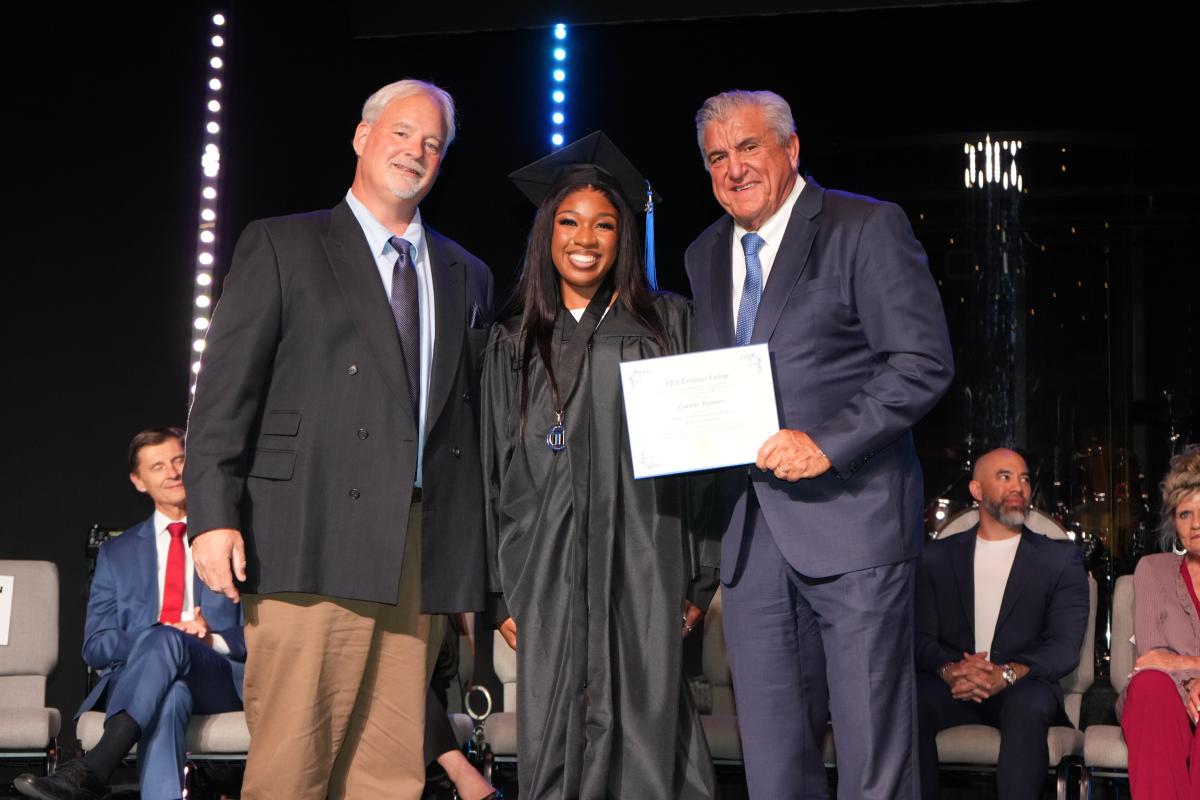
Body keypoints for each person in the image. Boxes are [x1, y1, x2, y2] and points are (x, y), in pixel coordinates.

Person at [183, 79, 494, 800]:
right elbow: (223, 394)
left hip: (418, 548)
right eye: (401, 133)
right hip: (308, 535)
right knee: (293, 766)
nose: (415, 151)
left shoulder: (467, 273)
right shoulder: (282, 244)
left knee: (389, 772)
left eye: (432, 143)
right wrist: (212, 515)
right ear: (361, 137)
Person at [684, 89, 955, 799]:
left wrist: (827, 444)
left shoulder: (864, 226)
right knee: (774, 767)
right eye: (717, 156)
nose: (734, 168)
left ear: (791, 147)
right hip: (752, 539)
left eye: (749, 147)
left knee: (874, 763)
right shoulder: (703, 253)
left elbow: (922, 362)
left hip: (854, 521)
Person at [481, 132, 718, 799]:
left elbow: (706, 464)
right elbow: (493, 475)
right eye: (569, 222)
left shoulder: (669, 326)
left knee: (649, 728)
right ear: (546, 234)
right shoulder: (512, 342)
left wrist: (699, 579)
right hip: (544, 569)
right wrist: (499, 592)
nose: (585, 238)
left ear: (624, 238)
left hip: (646, 562)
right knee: (557, 729)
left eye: (604, 224)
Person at [15, 427, 244, 800]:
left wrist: (210, 639)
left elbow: (264, 633)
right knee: (171, 694)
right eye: (158, 466)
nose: (173, 473)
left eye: (179, 460)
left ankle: (94, 767)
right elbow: (96, 646)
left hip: (216, 676)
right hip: (142, 680)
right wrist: (161, 635)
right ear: (139, 481)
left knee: (169, 644)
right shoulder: (116, 553)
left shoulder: (231, 540)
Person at [914, 447, 1089, 800]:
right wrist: (950, 670)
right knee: (907, 702)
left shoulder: (1060, 559)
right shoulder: (935, 557)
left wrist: (1006, 673)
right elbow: (918, 638)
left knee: (1027, 706)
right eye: (1004, 477)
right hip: (955, 684)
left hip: (1024, 684)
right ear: (976, 490)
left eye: (1024, 479)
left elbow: (1064, 647)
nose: (1018, 487)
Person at [1120, 444, 1200, 799]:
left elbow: (1168, 660)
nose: (1196, 524)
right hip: (1163, 705)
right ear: (1173, 522)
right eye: (1185, 514)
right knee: (1149, 685)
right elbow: (1151, 659)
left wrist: (1184, 664)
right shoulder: (1153, 570)